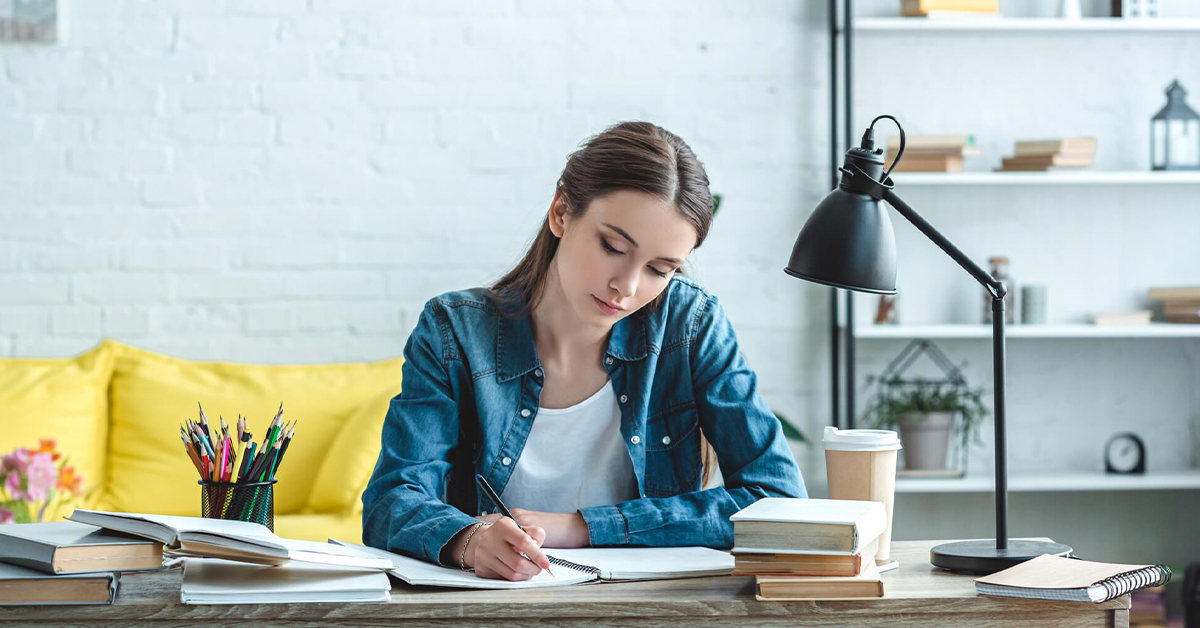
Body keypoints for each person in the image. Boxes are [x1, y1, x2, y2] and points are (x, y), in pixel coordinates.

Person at [362, 121, 806, 582]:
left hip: (652, 611)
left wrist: (580, 528)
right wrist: (469, 542)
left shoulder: (689, 325)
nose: (627, 287)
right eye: (613, 246)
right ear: (561, 212)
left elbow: (779, 501)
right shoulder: (455, 332)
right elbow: (391, 500)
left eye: (660, 269)